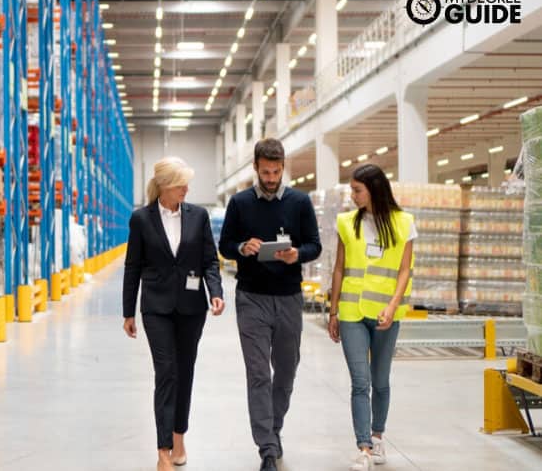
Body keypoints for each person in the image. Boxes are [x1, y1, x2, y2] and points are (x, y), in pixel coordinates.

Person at [219, 138, 322, 471]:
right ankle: (266, 447)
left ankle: (274, 429)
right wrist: (242, 247)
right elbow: (225, 246)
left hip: (289, 298)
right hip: (251, 298)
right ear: (256, 167)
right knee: (259, 374)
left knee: (287, 372)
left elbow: (315, 245)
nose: (272, 177)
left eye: (277, 171)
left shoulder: (300, 202)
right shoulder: (239, 203)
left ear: (283, 167)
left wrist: (297, 254)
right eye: (266, 171)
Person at [122, 156, 225, 471]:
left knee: (185, 371)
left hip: (192, 308)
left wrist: (216, 292)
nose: (187, 188)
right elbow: (133, 266)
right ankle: (163, 448)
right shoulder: (141, 219)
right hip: (156, 308)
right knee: (166, 372)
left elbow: (210, 259)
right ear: (165, 186)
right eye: (181, 183)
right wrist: (128, 312)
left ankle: (180, 434)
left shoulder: (199, 216)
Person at [327, 164, 416, 471]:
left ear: (374, 189)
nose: (352, 196)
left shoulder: (404, 223)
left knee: (380, 381)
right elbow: (339, 268)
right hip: (352, 313)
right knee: (359, 382)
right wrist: (333, 310)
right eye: (351, 190)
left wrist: (392, 307)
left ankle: (378, 437)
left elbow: (404, 270)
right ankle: (363, 446)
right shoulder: (345, 223)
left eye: (357, 190)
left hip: (385, 315)